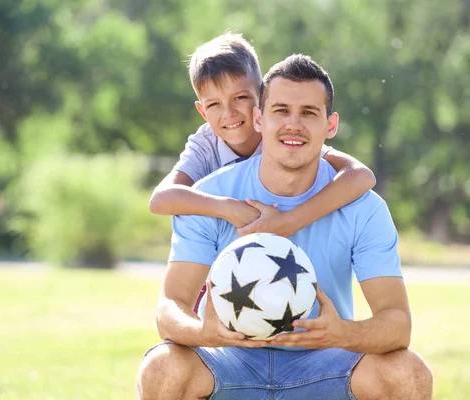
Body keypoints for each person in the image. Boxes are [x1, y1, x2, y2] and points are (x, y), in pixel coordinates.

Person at [137, 54, 433, 399]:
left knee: (408, 372)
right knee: (162, 366)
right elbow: (170, 307)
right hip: (228, 363)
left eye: (309, 113)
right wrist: (204, 332)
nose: (294, 124)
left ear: (331, 125)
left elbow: (397, 324)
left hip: (326, 363)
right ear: (259, 119)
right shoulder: (209, 197)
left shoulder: (363, 207)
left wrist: (339, 333)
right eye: (281, 111)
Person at [149, 32, 376, 312]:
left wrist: (290, 221)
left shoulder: (285, 139)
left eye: (241, 98)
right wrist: (228, 208)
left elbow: (361, 176)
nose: (229, 113)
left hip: (289, 251)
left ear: (262, 96)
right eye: (214, 105)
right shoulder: (206, 143)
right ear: (202, 111)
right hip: (232, 260)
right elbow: (161, 199)